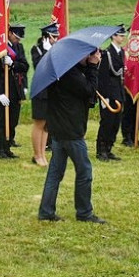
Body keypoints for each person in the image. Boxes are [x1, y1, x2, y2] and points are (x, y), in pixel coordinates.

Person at [38, 48, 106, 224]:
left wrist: (88, 67)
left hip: (59, 129)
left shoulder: (63, 70)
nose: (91, 56)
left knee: (55, 172)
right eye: (88, 54)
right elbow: (89, 90)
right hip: (70, 131)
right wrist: (93, 67)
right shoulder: (70, 74)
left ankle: (46, 211)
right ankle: (84, 212)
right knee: (85, 171)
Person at [0, 23, 28, 159]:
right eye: (16, 37)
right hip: (2, 90)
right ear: (10, 33)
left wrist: (13, 64)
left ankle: (7, 147)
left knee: (13, 119)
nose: (18, 40)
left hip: (15, 89)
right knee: (1, 120)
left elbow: (25, 66)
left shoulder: (19, 47)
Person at [30, 23, 59, 166]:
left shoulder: (55, 50)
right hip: (40, 91)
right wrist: (47, 52)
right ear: (46, 37)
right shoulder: (36, 49)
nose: (56, 40)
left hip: (52, 92)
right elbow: (40, 68)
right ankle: (37, 155)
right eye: (53, 37)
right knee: (39, 123)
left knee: (47, 125)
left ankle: (42, 154)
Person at [96, 25, 126, 161]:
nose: (123, 37)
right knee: (107, 122)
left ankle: (109, 148)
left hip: (118, 92)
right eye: (120, 35)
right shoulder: (106, 53)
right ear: (113, 36)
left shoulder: (121, 52)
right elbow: (102, 77)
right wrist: (104, 98)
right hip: (108, 93)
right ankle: (101, 150)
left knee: (115, 123)